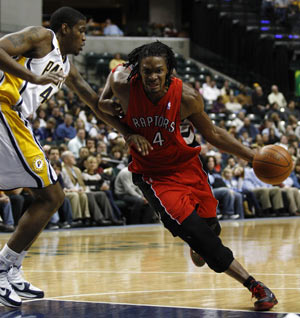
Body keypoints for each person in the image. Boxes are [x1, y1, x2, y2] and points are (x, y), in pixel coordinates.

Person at [99, 41, 278, 311]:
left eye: (159, 71)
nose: (152, 77)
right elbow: (102, 102)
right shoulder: (123, 82)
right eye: (147, 71)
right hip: (153, 176)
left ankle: (200, 243)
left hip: (187, 167)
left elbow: (213, 134)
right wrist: (126, 132)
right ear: (138, 71)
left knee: (210, 229)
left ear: (169, 70)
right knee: (202, 237)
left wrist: (251, 156)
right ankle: (255, 285)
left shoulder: (187, 97)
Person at [0, 6, 136, 307]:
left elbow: (92, 101)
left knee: (49, 197)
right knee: (52, 195)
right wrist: (32, 79)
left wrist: (126, 131)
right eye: (82, 30)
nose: (85, 37)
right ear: (64, 28)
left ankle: (11, 266)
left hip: (16, 120)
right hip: (3, 110)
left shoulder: (67, 66)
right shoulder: (40, 36)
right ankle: (3, 267)